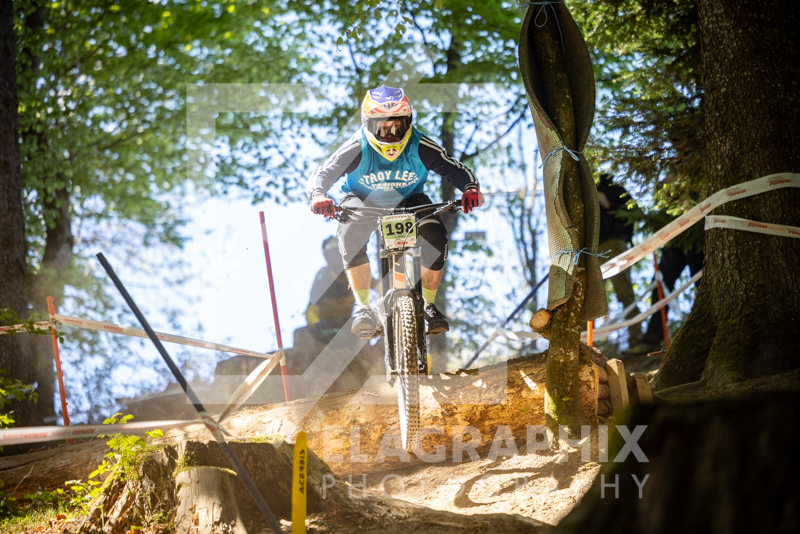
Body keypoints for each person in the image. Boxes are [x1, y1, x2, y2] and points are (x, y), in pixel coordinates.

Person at [307, 85, 483, 338]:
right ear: (368, 125)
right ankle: (363, 308)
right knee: (349, 234)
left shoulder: (420, 145)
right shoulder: (356, 147)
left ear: (408, 122)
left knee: (436, 235)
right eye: (382, 127)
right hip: (363, 200)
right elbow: (324, 172)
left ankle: (429, 305)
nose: (390, 133)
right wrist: (319, 195)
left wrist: (470, 189)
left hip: (409, 200)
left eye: (396, 126)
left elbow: (455, 169)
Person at [596, 173, 642, 347]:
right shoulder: (582, 189)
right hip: (591, 249)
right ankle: (583, 344)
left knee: (625, 293)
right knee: (588, 298)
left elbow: (632, 212)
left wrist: (608, 204)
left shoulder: (614, 188)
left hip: (614, 243)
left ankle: (636, 339)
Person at [304, 236, 355, 337]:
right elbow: (311, 309)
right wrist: (317, 323)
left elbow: (376, 288)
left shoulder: (355, 273)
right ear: (327, 258)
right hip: (326, 325)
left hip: (346, 323)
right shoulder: (322, 278)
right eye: (332, 254)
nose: (337, 257)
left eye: (339, 253)